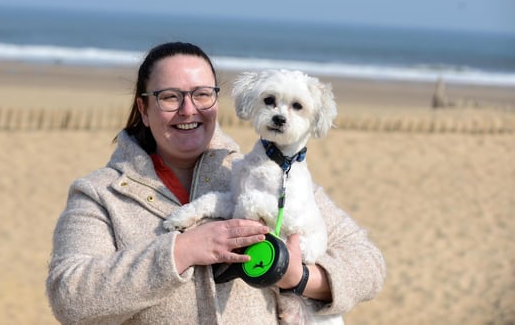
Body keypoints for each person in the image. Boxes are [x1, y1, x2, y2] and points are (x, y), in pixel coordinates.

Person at [46, 41, 385, 324]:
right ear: (144, 109)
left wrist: (300, 278)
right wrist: (180, 251)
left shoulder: (267, 173)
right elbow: (70, 297)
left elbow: (369, 264)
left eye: (202, 95)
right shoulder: (100, 194)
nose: (188, 110)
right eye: (169, 97)